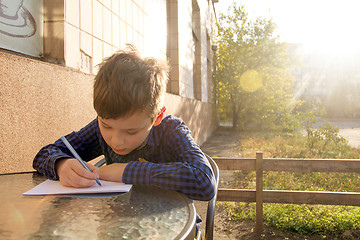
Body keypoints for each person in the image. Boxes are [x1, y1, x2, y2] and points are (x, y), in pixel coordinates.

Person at [33, 46, 216, 230]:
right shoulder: (99, 128)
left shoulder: (172, 130)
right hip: (121, 224)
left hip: (174, 226)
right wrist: (61, 164)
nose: (116, 140)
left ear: (157, 117)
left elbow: (205, 182)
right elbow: (44, 154)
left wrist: (127, 171)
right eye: (106, 126)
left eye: (131, 132)